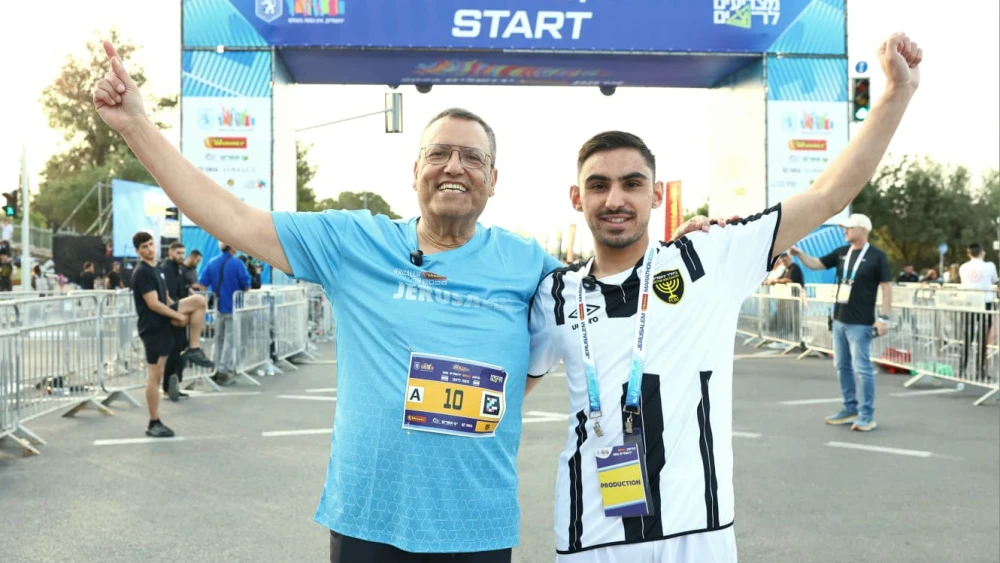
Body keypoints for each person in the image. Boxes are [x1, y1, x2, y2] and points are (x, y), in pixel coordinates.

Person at [92, 39, 748, 561]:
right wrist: (137, 128)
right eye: (439, 153)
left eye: (472, 157)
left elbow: (605, 295)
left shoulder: (529, 265)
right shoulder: (354, 241)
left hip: (475, 526)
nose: (454, 166)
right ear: (415, 172)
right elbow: (230, 216)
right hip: (368, 519)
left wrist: (681, 253)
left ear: (494, 181)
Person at [527, 33, 921, 562]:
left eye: (632, 183)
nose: (615, 199)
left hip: (700, 534)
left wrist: (896, 93)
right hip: (592, 539)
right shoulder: (554, 293)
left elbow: (829, 195)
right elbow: (508, 392)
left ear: (657, 194)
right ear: (577, 198)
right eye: (598, 185)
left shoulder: (708, 258)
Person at [790, 212, 893, 432]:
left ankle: (867, 415)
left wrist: (883, 318)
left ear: (863, 230)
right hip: (839, 320)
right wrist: (799, 254)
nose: (844, 230)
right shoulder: (842, 252)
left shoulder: (876, 256)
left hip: (861, 323)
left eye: (849, 227)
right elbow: (816, 264)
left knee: (862, 368)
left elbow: (887, 287)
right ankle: (850, 408)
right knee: (842, 366)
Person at [130, 231, 215, 437]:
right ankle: (153, 421)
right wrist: (177, 314)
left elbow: (165, 297)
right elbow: (153, 304)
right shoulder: (142, 272)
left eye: (151, 244)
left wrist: (178, 313)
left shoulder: (156, 269)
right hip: (153, 328)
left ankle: (194, 348)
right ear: (138, 251)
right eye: (144, 247)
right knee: (155, 375)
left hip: (164, 324)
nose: (149, 249)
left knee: (199, 302)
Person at [199, 243, 251, 386]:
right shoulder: (237, 264)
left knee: (218, 339)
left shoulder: (212, 262)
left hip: (218, 306)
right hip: (233, 307)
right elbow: (246, 285)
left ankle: (214, 368)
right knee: (230, 340)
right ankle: (223, 369)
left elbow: (202, 284)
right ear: (232, 247)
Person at [958, 243, 999, 380]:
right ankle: (980, 371)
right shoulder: (989, 266)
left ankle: (961, 368)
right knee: (982, 339)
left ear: (969, 253)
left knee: (967, 336)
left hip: (968, 302)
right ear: (982, 252)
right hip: (985, 303)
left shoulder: (963, 267)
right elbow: (994, 280)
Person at [160, 241, 193, 400]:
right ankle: (168, 385)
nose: (181, 256)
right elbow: (169, 295)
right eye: (178, 253)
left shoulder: (178, 269)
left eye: (182, 253)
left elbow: (183, 290)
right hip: (173, 314)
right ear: (170, 253)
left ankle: (174, 383)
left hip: (180, 312)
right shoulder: (166, 269)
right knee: (174, 350)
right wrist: (177, 315)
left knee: (180, 348)